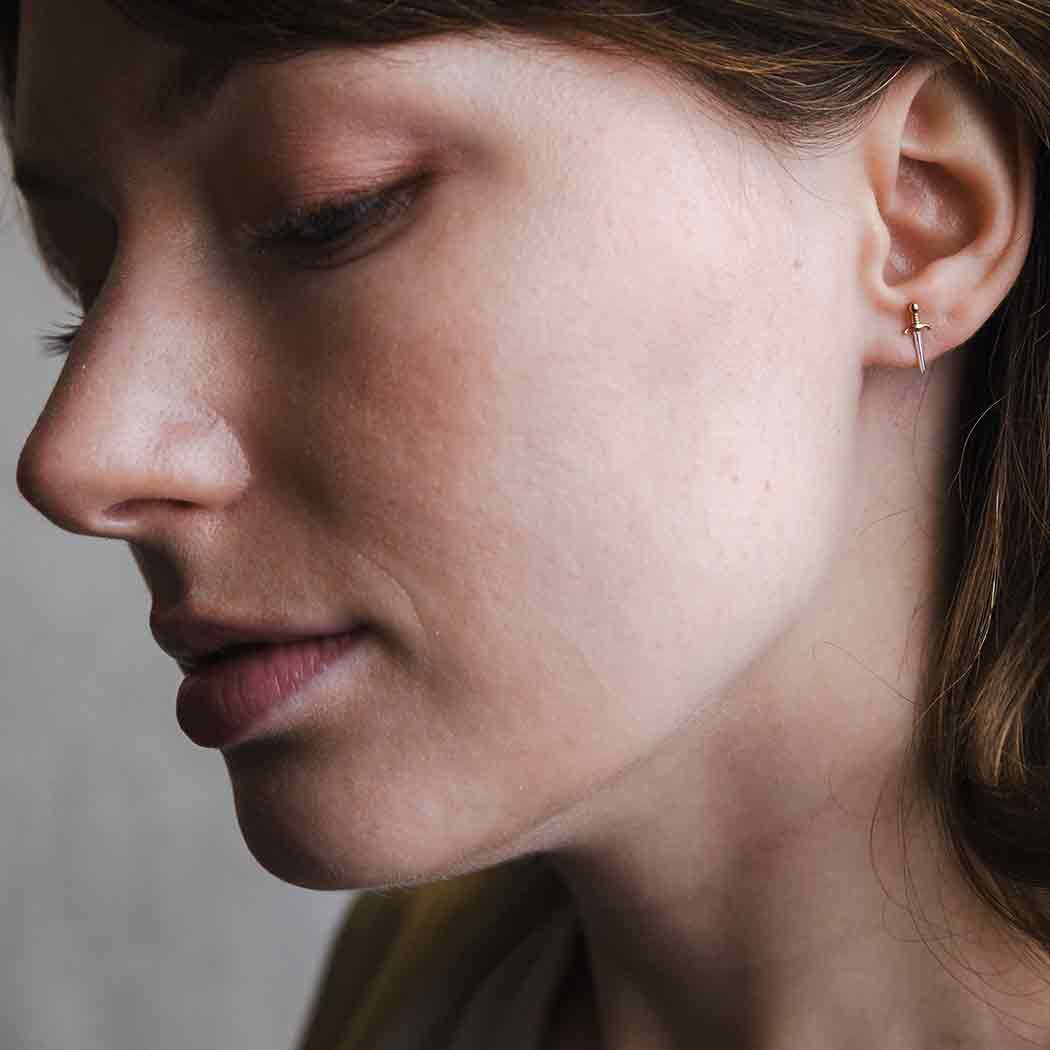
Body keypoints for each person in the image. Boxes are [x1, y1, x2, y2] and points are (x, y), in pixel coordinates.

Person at [4, 0, 1050, 1046]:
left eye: (326, 213)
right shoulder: (416, 984)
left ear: (920, 215)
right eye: (83, 290)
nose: (75, 456)